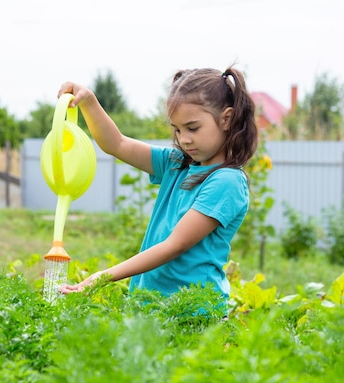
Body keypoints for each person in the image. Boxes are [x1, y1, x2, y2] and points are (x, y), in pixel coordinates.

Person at [59, 66, 258, 303]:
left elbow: (175, 244)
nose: (184, 139)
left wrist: (102, 277)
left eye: (193, 128)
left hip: (193, 315)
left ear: (226, 119)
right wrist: (89, 102)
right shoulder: (176, 164)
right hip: (152, 307)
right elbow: (117, 144)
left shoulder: (226, 181)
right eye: (177, 129)